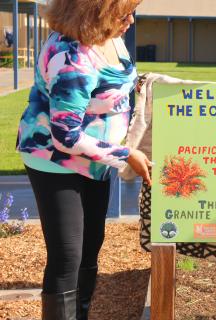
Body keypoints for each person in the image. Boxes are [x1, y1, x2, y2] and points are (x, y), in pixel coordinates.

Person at [15, 0, 150, 319]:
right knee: (67, 256)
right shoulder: (71, 56)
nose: (130, 20)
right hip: (54, 160)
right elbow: (66, 135)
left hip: (95, 162)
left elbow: (112, 81)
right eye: (123, 13)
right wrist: (126, 154)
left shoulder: (109, 36)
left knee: (90, 250)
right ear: (95, 12)